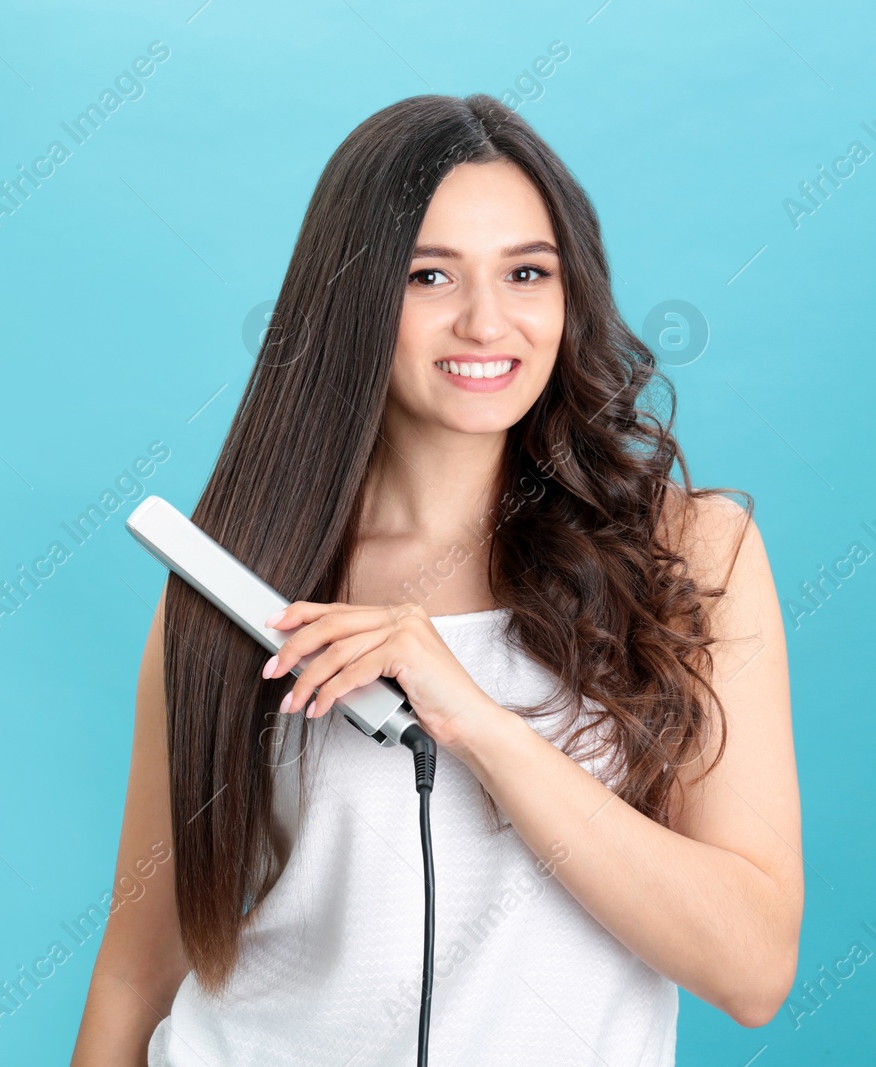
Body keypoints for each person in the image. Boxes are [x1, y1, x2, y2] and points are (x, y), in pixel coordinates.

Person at [70, 93, 802, 1066]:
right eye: (428, 275)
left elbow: (750, 967)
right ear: (353, 296)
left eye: (526, 272)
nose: (484, 320)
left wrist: (478, 721)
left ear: (569, 291)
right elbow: (136, 966)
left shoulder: (692, 554)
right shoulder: (240, 590)